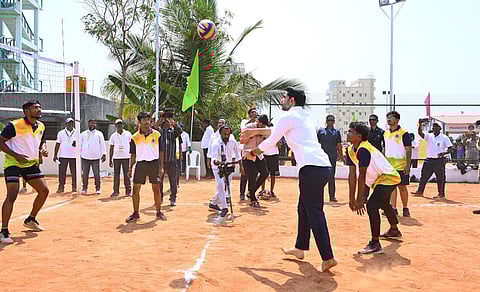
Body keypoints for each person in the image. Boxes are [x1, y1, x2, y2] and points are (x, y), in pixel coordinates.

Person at [243, 87, 337, 273]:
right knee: (303, 208)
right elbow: (275, 130)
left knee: (314, 211)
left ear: (292, 100)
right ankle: (300, 248)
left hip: (311, 169)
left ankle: (328, 257)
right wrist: (254, 132)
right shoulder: (302, 116)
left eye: (285, 97)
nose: (282, 99)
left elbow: (272, 140)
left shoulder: (288, 118)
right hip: (321, 167)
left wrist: (252, 152)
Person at [346, 122, 402, 254]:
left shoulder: (364, 149)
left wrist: (360, 199)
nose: (347, 134)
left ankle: (375, 243)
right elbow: (352, 175)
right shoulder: (350, 150)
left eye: (350, 131)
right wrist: (351, 198)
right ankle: (394, 230)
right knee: (383, 203)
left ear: (358, 136)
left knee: (372, 205)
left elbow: (362, 176)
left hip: (388, 177)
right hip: (379, 179)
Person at [0, 100, 50, 244]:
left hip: (30, 164)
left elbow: (42, 141)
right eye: (36, 108)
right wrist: (16, 155)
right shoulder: (14, 125)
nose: (39, 109)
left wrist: (43, 149)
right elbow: (1, 141)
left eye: (39, 107)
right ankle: (3, 231)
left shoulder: (41, 126)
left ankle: (30, 219)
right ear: (27, 111)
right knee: (12, 194)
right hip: (14, 163)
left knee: (44, 191)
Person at [126, 112, 167, 222]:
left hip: (154, 164)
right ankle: (136, 213)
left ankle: (158, 212)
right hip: (140, 165)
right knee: (135, 190)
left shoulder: (157, 134)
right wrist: (130, 168)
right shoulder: (134, 137)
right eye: (144, 120)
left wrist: (161, 167)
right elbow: (133, 154)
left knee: (156, 190)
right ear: (139, 122)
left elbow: (162, 151)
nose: (147, 122)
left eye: (148, 119)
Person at [411, 122, 453, 198]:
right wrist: (420, 125)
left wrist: (444, 153)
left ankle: (441, 194)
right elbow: (420, 133)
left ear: (440, 129)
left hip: (439, 160)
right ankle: (420, 191)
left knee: (440, 178)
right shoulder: (429, 136)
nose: (434, 128)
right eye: (433, 127)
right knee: (423, 176)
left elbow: (451, 149)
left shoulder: (444, 137)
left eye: (436, 127)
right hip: (429, 160)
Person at [208, 125, 241, 220]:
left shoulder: (233, 142)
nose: (226, 136)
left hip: (229, 166)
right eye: (224, 134)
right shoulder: (216, 143)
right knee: (221, 185)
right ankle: (225, 207)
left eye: (228, 134)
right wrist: (216, 162)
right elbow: (214, 157)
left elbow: (238, 154)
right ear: (220, 134)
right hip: (217, 167)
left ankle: (213, 203)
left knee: (224, 186)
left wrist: (241, 166)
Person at [384, 111, 412, 217]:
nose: (389, 119)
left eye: (391, 117)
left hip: (401, 165)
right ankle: (393, 208)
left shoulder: (404, 133)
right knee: (391, 188)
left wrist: (407, 165)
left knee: (402, 187)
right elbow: (385, 149)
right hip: (389, 167)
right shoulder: (385, 133)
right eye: (388, 118)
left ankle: (405, 208)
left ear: (397, 120)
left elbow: (408, 150)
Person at [240, 114, 269, 207]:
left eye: (265, 125)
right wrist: (253, 134)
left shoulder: (264, 131)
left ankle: (251, 192)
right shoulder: (249, 127)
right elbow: (242, 141)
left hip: (258, 154)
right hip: (248, 154)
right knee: (253, 174)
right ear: (258, 122)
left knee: (265, 173)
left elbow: (265, 142)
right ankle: (252, 198)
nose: (263, 127)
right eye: (262, 125)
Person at [317, 115, 344, 202]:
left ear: (334, 122)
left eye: (332, 120)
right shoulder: (321, 131)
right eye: (329, 120)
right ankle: (318, 196)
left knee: (331, 177)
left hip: (332, 157)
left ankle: (332, 196)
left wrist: (341, 155)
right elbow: (317, 144)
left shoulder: (337, 132)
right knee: (320, 177)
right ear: (326, 121)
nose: (330, 122)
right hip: (322, 157)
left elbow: (339, 144)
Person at [79, 120, 107, 195]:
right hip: (85, 157)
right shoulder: (83, 134)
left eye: (94, 123)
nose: (92, 124)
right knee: (85, 174)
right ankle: (84, 188)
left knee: (96, 174)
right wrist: (80, 154)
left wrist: (104, 153)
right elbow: (79, 145)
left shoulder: (99, 134)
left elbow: (102, 144)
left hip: (95, 157)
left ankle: (98, 188)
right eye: (91, 123)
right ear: (88, 124)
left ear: (96, 125)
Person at [159, 118, 180, 206]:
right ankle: (159, 197)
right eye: (166, 121)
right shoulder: (159, 132)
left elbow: (179, 131)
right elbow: (154, 127)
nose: (168, 123)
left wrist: (173, 121)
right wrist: (161, 117)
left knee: (173, 180)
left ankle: (173, 197)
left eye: (169, 122)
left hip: (172, 159)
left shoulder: (173, 132)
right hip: (161, 160)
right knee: (159, 180)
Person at [109, 119, 132, 197]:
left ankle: (128, 191)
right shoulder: (113, 136)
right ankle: (116, 191)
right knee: (116, 175)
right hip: (116, 157)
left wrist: (132, 155)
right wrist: (110, 159)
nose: (119, 126)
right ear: (115, 126)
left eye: (121, 124)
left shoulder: (128, 134)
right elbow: (111, 148)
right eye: (118, 124)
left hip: (126, 157)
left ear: (123, 125)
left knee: (127, 174)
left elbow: (131, 145)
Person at [53, 118, 77, 193]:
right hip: (63, 156)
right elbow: (57, 144)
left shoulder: (77, 132)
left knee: (74, 173)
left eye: (72, 123)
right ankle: (61, 187)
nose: (70, 124)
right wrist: (55, 155)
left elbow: (81, 144)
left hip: (74, 156)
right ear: (65, 124)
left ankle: (74, 187)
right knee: (62, 173)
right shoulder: (61, 133)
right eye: (69, 123)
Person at [239, 108, 257, 200]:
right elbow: (243, 129)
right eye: (252, 112)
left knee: (253, 174)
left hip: (254, 151)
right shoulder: (244, 122)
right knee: (244, 173)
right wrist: (252, 120)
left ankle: (250, 192)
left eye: (255, 112)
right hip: (245, 149)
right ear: (249, 114)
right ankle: (241, 193)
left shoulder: (258, 124)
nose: (254, 114)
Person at [259, 122, 280, 199]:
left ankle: (271, 191)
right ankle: (262, 190)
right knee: (263, 173)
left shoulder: (276, 136)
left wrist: (276, 139)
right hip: (265, 155)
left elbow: (279, 146)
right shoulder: (264, 135)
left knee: (273, 174)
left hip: (274, 155)